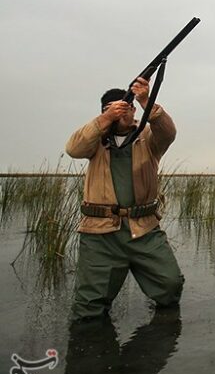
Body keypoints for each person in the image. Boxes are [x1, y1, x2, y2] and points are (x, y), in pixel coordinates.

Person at [65, 77, 184, 320]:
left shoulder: (148, 138)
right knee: (89, 306)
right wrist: (105, 119)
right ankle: (93, 348)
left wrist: (144, 101)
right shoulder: (95, 140)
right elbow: (73, 149)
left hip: (144, 229)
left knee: (170, 286)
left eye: (126, 107)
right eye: (112, 107)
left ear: (133, 110)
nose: (121, 112)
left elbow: (168, 133)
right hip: (100, 233)